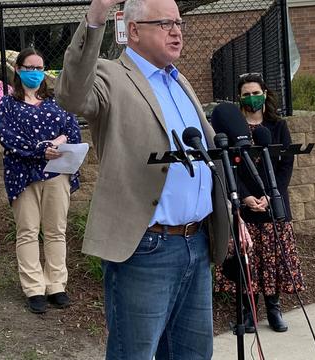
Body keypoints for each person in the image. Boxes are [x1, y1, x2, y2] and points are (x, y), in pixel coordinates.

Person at [55, 0, 230, 358]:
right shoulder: (110, 75)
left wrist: (229, 209)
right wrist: (96, 15)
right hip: (146, 248)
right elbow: (72, 96)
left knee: (193, 353)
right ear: (133, 30)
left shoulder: (178, 81)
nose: (177, 31)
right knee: (133, 353)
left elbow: (207, 155)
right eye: (165, 24)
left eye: (179, 23)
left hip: (196, 242)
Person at [214, 73, 305, 333]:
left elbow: (286, 164)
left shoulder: (277, 127)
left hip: (272, 204)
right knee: (247, 261)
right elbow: (228, 165)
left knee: (272, 259)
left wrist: (270, 195)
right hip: (244, 206)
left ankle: (274, 310)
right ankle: (248, 312)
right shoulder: (233, 129)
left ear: (265, 93)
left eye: (255, 92)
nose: (251, 98)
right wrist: (244, 197)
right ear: (239, 98)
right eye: (246, 94)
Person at [0, 48, 81, 314]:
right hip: (23, 174)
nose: (35, 73)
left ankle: (56, 285)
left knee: (56, 231)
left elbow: (73, 130)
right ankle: (34, 288)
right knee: (28, 231)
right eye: (29, 67)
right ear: (18, 70)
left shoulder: (56, 102)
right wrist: (39, 149)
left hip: (57, 173)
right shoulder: (7, 104)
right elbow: (8, 139)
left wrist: (60, 141)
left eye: (39, 67)